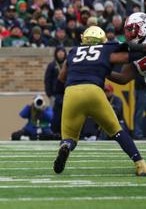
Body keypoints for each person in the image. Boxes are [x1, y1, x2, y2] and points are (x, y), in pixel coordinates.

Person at [54, 26, 146, 176]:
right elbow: (128, 56)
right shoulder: (106, 49)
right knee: (117, 131)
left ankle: (66, 146)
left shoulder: (74, 52)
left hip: (71, 93)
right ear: (102, 40)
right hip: (93, 91)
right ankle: (140, 164)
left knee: (69, 136)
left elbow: (61, 78)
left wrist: (58, 98)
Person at [44, 47, 67, 134]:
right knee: (55, 114)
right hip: (55, 95)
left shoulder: (68, 64)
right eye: (59, 52)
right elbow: (47, 80)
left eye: (62, 52)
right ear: (56, 54)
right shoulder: (52, 65)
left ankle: (64, 132)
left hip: (66, 94)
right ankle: (54, 132)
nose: (61, 54)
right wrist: (49, 94)